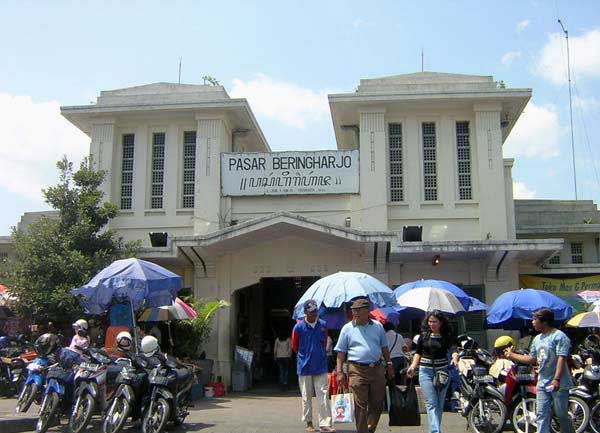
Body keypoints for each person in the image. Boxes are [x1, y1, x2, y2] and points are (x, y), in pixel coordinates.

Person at [505, 308, 575, 433]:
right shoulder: (537, 339)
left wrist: (556, 379)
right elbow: (531, 358)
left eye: (535, 319)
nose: (532, 322)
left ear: (544, 322)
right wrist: (512, 355)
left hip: (559, 383)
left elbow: (561, 358)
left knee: (561, 414)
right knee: (541, 414)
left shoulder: (559, 336)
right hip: (542, 383)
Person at [335, 298, 394, 433]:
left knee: (377, 403)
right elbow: (341, 353)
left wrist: (389, 365)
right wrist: (339, 372)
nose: (355, 313)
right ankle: (362, 430)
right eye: (353, 310)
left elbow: (384, 348)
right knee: (360, 404)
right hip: (356, 369)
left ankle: (370, 428)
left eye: (358, 310)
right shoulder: (347, 329)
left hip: (376, 368)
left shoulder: (378, 326)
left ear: (367, 311)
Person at [407, 310, 457, 433]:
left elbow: (454, 349)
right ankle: (435, 431)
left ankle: (435, 429)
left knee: (439, 403)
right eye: (430, 321)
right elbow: (418, 352)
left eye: (435, 321)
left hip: (442, 372)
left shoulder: (447, 336)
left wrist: (455, 358)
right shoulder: (423, 336)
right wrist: (413, 366)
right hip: (425, 371)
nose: (432, 324)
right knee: (431, 403)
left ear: (441, 323)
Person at [291, 299, 335, 433]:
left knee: (323, 395)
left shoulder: (323, 325)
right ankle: (309, 423)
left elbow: (325, 342)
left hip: (320, 365)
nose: (314, 314)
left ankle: (325, 424)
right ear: (305, 312)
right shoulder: (298, 327)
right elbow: (294, 346)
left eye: (315, 311)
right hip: (304, 366)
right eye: (311, 312)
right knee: (306, 396)